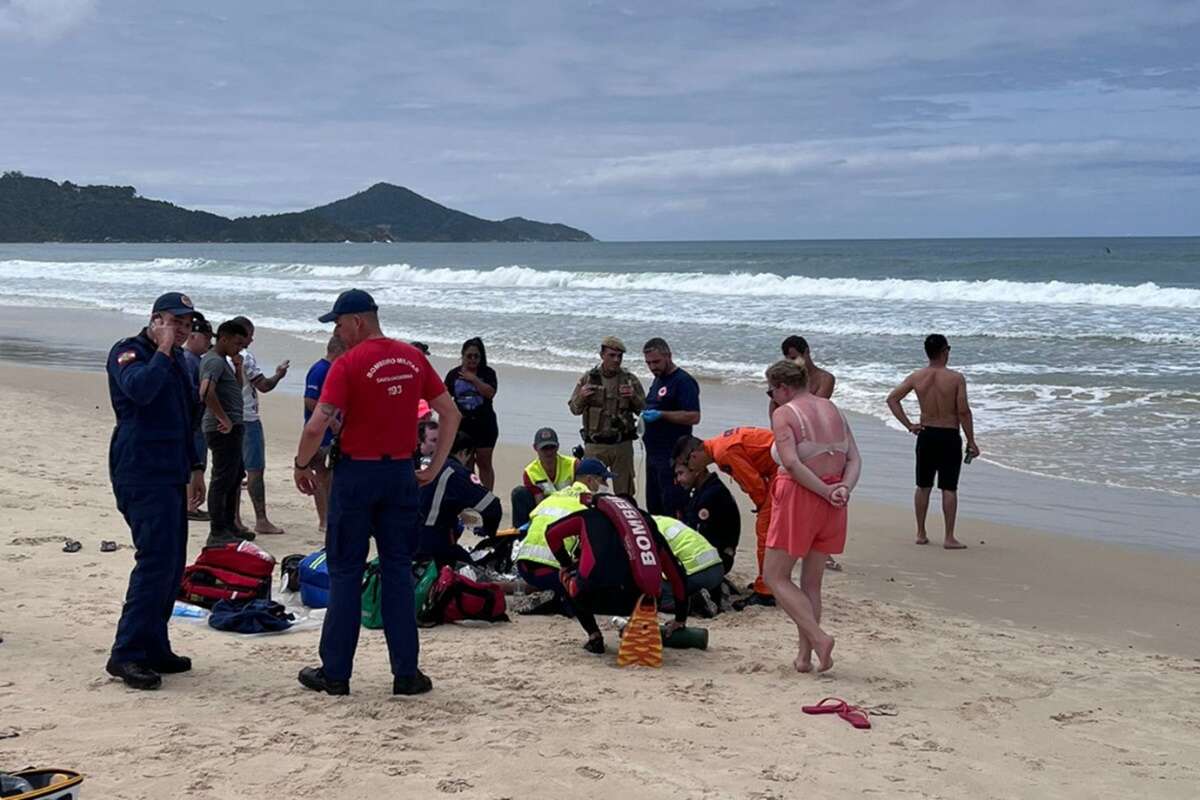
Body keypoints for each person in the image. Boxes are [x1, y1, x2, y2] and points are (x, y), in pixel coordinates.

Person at [292, 289, 460, 697]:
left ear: (358, 322)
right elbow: (450, 412)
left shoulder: (348, 364)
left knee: (346, 572)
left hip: (356, 476)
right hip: (400, 474)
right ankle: (406, 673)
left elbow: (317, 425)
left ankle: (335, 672)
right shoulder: (412, 358)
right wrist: (433, 468)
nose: (337, 331)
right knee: (398, 572)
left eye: (338, 323)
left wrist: (301, 464)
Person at [105, 292, 207, 690]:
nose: (181, 330)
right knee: (154, 561)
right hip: (140, 469)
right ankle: (127, 653)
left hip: (171, 470)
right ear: (155, 320)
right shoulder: (129, 352)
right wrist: (163, 349)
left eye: (186, 324)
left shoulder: (180, 360)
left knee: (171, 563)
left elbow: (187, 418)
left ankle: (154, 644)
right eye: (174, 322)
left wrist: (195, 468)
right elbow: (141, 391)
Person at [763, 359, 862, 674]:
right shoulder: (833, 409)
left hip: (801, 497)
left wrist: (822, 491)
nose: (771, 398)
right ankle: (805, 658)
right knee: (812, 584)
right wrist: (843, 488)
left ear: (783, 388)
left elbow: (791, 463)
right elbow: (855, 458)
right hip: (834, 502)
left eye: (771, 391)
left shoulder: (785, 413)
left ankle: (819, 638)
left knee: (775, 576)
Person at [545, 493, 689, 654]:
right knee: (656, 585)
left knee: (566, 575)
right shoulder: (645, 525)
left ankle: (594, 637)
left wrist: (566, 564)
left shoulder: (589, 516)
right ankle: (639, 629)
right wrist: (680, 618)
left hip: (591, 597)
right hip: (639, 603)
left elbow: (551, 533)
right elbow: (676, 576)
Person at [887, 334, 979, 549]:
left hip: (926, 435)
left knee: (923, 485)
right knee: (949, 488)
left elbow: (892, 399)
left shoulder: (917, 377)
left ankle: (920, 532)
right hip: (948, 436)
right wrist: (971, 441)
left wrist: (909, 425)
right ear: (945, 351)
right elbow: (963, 411)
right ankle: (949, 537)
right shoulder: (956, 378)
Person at [674, 426, 777, 608]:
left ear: (694, 455)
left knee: (765, 531)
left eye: (688, 466)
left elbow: (754, 485)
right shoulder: (720, 445)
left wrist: (762, 507)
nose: (691, 469)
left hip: (780, 468)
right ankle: (770, 580)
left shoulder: (723, 453)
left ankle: (765, 591)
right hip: (778, 462)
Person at [774, 335, 841, 571]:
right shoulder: (784, 383)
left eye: (795, 357)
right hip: (790, 437)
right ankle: (797, 547)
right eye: (788, 359)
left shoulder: (824, 378)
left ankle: (821, 551)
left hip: (817, 442)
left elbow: (813, 407)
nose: (793, 362)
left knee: (818, 495)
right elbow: (778, 411)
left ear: (807, 352)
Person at [513, 458, 610, 607]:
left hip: (524, 566)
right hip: (550, 569)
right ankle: (555, 600)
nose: (607, 486)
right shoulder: (589, 504)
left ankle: (549, 591)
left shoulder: (554, 496)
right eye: (603, 480)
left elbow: (530, 522)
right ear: (590, 480)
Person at [230, 316, 290, 536]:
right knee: (255, 470)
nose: (252, 339)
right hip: (248, 417)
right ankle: (261, 519)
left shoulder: (217, 355)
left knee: (233, 471)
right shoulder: (245, 357)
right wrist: (279, 375)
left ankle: (234, 518)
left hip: (228, 418)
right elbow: (263, 386)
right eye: (249, 334)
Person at [568, 336, 645, 497]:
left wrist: (633, 397)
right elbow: (574, 408)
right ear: (602, 355)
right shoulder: (588, 378)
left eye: (619, 356)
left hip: (621, 445)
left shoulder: (630, 379)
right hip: (595, 445)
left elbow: (645, 410)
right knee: (591, 492)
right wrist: (581, 396)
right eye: (612, 355)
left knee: (625, 493)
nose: (616, 360)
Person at [199, 320, 250, 547]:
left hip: (232, 425)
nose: (240, 348)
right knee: (222, 478)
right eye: (238, 343)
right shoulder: (213, 361)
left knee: (235, 476)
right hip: (221, 428)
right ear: (224, 338)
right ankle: (218, 530)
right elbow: (206, 391)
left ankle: (228, 526)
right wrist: (224, 419)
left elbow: (233, 390)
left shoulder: (224, 362)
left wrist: (238, 368)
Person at [417, 431, 502, 566]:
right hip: (430, 544)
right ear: (463, 453)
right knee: (472, 571)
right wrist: (488, 530)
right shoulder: (454, 472)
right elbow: (492, 505)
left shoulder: (420, 462)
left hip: (398, 538)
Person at [642, 338, 700, 516]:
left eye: (656, 362)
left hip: (672, 456)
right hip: (653, 455)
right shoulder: (658, 380)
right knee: (654, 507)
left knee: (672, 507)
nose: (652, 367)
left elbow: (694, 416)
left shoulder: (683, 381)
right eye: (648, 363)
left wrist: (662, 415)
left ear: (669, 356)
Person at [303, 335, 346, 532]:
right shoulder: (320, 370)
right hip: (321, 433)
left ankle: (333, 515)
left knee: (333, 476)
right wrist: (332, 422)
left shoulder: (336, 370)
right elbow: (310, 401)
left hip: (335, 434)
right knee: (321, 475)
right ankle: (324, 520)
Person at [444, 337, 499, 490]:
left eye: (476, 356)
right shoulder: (453, 375)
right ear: (462, 356)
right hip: (462, 426)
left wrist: (474, 379)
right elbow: (444, 397)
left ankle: (487, 495)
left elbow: (490, 393)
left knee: (484, 462)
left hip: (485, 425)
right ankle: (470, 495)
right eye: (469, 356)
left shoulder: (488, 373)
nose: (473, 359)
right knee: (466, 463)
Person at [675, 460, 741, 576]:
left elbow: (699, 536)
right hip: (716, 556)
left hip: (715, 561)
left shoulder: (711, 495)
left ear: (696, 471)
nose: (678, 479)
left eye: (681, 473)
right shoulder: (703, 489)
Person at [651, 515, 724, 616]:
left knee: (658, 597)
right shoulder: (663, 520)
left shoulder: (646, 530)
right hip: (718, 569)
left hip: (697, 574)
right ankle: (715, 595)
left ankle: (695, 603)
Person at [510, 427, 576, 529]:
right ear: (535, 448)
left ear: (558, 447)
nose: (549, 452)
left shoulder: (573, 464)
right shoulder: (530, 472)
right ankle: (520, 533)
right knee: (519, 493)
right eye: (544, 448)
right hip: (546, 506)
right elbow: (539, 503)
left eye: (552, 447)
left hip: (570, 507)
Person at [182, 313, 213, 521]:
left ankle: (190, 504)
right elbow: (194, 394)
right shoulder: (189, 360)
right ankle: (190, 506)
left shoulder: (193, 360)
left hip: (195, 421)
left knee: (196, 461)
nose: (209, 343)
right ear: (193, 336)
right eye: (206, 338)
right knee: (194, 463)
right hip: (193, 423)